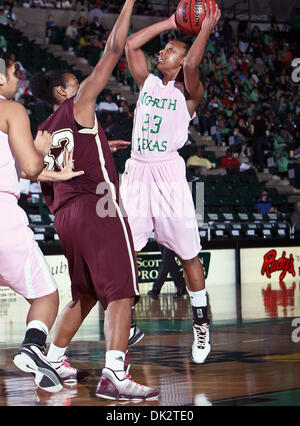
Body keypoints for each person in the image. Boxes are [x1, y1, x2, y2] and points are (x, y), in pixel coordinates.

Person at [29, 0, 158, 401]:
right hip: (97, 205)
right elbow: (114, 50)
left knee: (84, 293)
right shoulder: (79, 103)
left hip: (65, 217)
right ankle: (115, 373)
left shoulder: (45, 129)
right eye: (74, 81)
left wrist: (101, 144)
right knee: (120, 291)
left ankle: (53, 357)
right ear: (62, 91)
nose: (80, 83)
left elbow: (43, 172)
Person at [121, 1, 221, 364]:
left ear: (179, 65)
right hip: (137, 171)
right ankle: (126, 320)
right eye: (163, 49)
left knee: (187, 253)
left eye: (170, 50)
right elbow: (131, 44)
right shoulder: (147, 83)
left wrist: (204, 27)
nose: (162, 51)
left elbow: (193, 64)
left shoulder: (189, 94)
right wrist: (170, 21)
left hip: (167, 173)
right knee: (125, 251)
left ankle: (200, 323)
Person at [0, 57, 63, 393]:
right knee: (46, 295)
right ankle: (32, 347)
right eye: (14, 74)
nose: (18, 80)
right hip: (2, 216)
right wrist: (40, 151)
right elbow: (30, 166)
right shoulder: (11, 110)